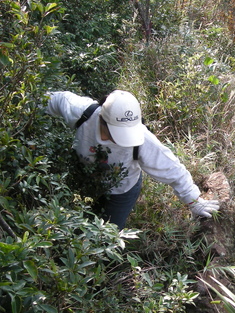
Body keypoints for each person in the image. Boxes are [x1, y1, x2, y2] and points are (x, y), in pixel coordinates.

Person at [46, 89, 220, 229]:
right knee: (76, 225)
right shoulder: (83, 113)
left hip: (123, 189)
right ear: (102, 119)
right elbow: (54, 99)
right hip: (83, 180)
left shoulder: (142, 138)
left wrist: (194, 201)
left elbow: (172, 169)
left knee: (108, 235)